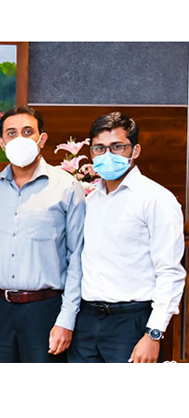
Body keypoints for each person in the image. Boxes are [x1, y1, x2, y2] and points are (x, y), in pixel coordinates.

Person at [68, 112, 186, 363]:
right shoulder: (89, 200)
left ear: (136, 150)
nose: (107, 155)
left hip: (131, 322)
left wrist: (153, 334)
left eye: (117, 147)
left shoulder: (156, 199)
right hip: (86, 320)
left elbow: (170, 271)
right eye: (99, 148)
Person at [0, 105, 85, 363]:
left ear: (41, 139)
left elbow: (77, 257)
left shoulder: (67, 187)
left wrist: (66, 319)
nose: (19, 139)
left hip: (45, 310)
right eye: (11, 133)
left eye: (27, 131)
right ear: (2, 143)